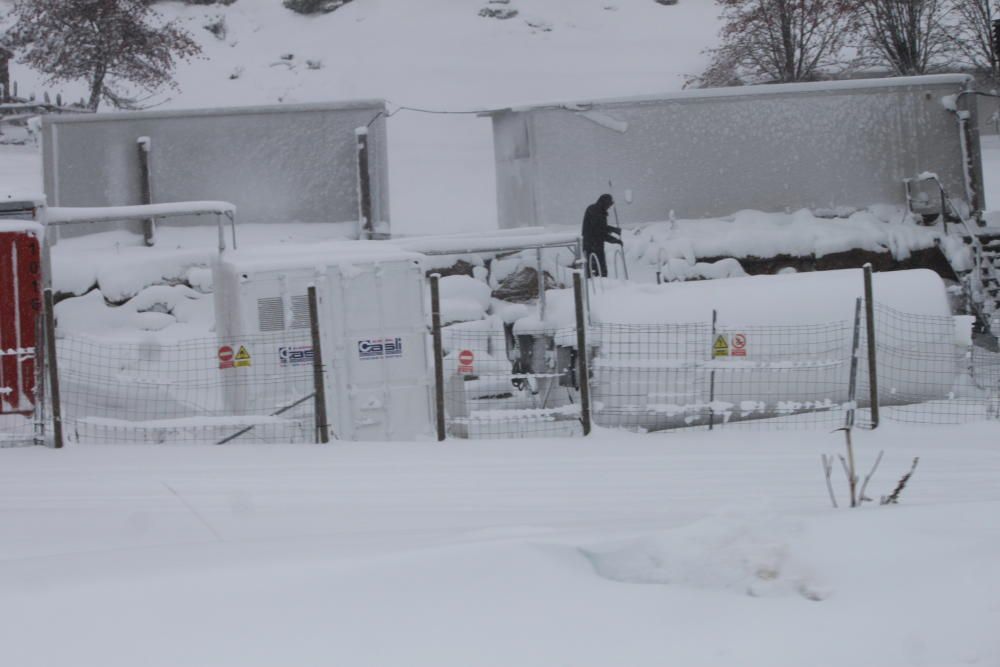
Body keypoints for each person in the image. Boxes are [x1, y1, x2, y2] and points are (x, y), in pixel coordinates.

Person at [581, 193, 622, 277]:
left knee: (600, 271)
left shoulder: (598, 211)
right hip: (591, 246)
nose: (609, 207)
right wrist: (614, 240)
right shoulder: (595, 211)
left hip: (596, 245)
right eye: (609, 205)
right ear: (604, 203)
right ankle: (597, 288)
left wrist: (613, 230)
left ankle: (600, 286)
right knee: (597, 272)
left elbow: (600, 228)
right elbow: (599, 231)